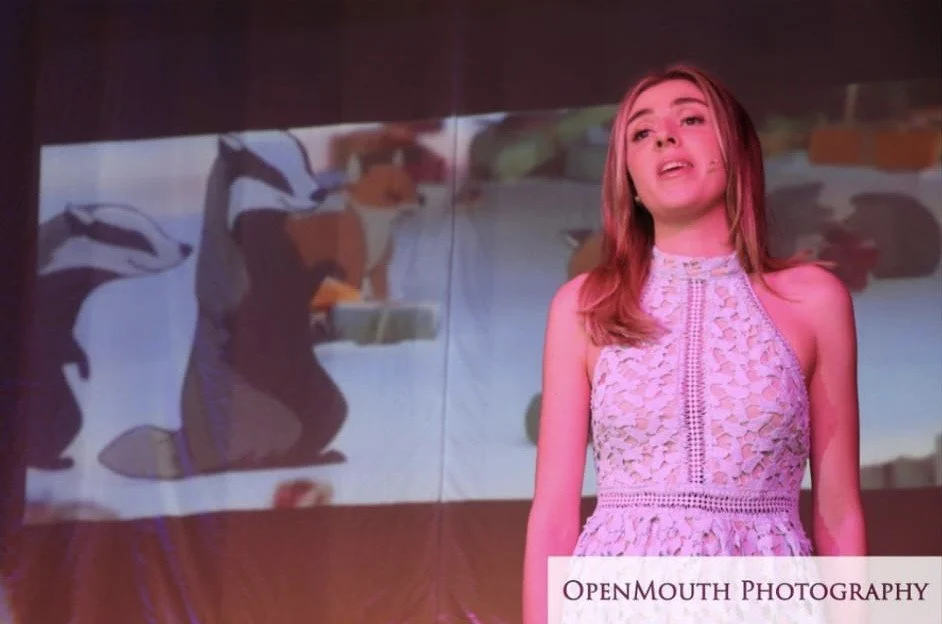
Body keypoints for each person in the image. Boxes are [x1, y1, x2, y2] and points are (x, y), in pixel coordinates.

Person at [522, 63, 867, 623]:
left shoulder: (814, 300)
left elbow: (839, 512)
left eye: (690, 118)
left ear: (736, 149)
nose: (664, 135)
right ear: (628, 177)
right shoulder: (583, 306)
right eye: (641, 132)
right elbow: (554, 516)